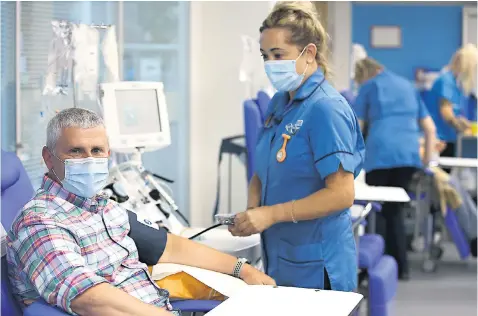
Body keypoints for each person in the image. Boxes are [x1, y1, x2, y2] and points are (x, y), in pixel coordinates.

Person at [6, 108, 275, 316]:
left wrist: (242, 269)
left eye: (97, 150)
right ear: (48, 157)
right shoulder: (40, 222)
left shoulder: (104, 207)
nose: (89, 160)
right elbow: (89, 297)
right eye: (76, 151)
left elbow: (170, 247)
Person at [228, 1, 365, 292]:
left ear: (309, 53)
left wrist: (270, 214)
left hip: (318, 264)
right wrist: (252, 212)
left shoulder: (326, 109)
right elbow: (261, 169)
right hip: (282, 256)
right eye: (265, 56)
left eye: (278, 54)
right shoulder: (280, 103)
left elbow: (341, 194)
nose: (270, 64)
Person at [353, 57, 437, 280]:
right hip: (408, 155)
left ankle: (375, 268)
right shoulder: (408, 86)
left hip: (381, 152)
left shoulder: (369, 86)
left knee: (377, 212)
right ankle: (401, 267)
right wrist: (427, 163)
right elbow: (429, 129)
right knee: (395, 211)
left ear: (363, 75)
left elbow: (356, 127)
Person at [426, 44, 477, 158]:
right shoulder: (446, 81)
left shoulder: (456, 83)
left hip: (448, 138)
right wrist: (464, 128)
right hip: (440, 140)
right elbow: (447, 114)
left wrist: (466, 124)